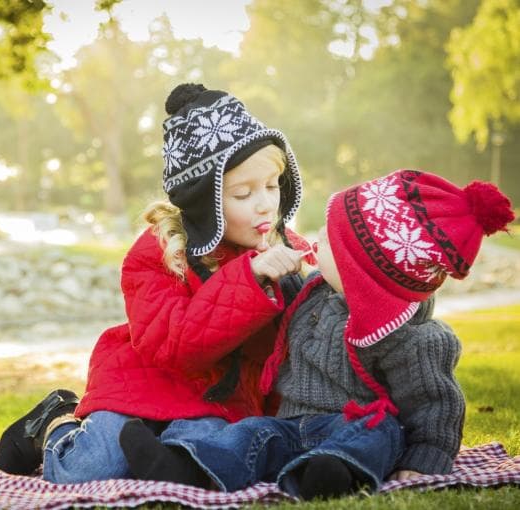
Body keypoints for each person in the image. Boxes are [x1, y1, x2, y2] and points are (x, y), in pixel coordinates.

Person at [118, 169, 515, 499]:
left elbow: (435, 404)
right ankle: (186, 466)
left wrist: (422, 462)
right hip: (291, 424)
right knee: (250, 435)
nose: (316, 241)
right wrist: (263, 272)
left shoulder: (410, 336)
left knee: (379, 433)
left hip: (353, 422)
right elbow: (263, 311)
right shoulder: (313, 291)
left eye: (331, 240)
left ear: (360, 273)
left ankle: (334, 473)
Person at [0, 83, 315, 484]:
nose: (266, 203)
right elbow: (177, 345)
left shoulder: (290, 253)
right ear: (204, 200)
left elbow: (298, 343)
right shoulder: (158, 252)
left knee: (200, 455)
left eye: (272, 186)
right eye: (243, 193)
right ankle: (54, 421)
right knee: (87, 469)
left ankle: (162, 459)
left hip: (217, 399)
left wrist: (304, 281)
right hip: (142, 381)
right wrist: (249, 277)